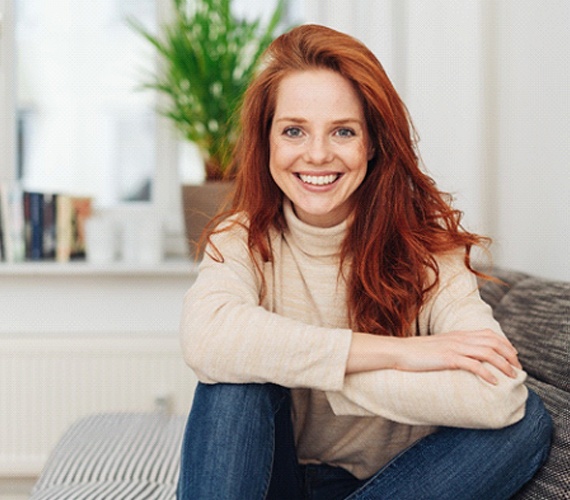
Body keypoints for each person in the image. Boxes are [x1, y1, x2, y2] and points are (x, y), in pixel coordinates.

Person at [177, 24, 552, 499]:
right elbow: (206, 338)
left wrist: (316, 371)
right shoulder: (242, 239)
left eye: (343, 131)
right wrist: (401, 354)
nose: (317, 154)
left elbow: (499, 396)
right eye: (294, 130)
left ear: (372, 143)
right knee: (233, 385)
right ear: (266, 141)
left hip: (394, 486)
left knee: (528, 425)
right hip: (273, 479)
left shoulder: (430, 253)